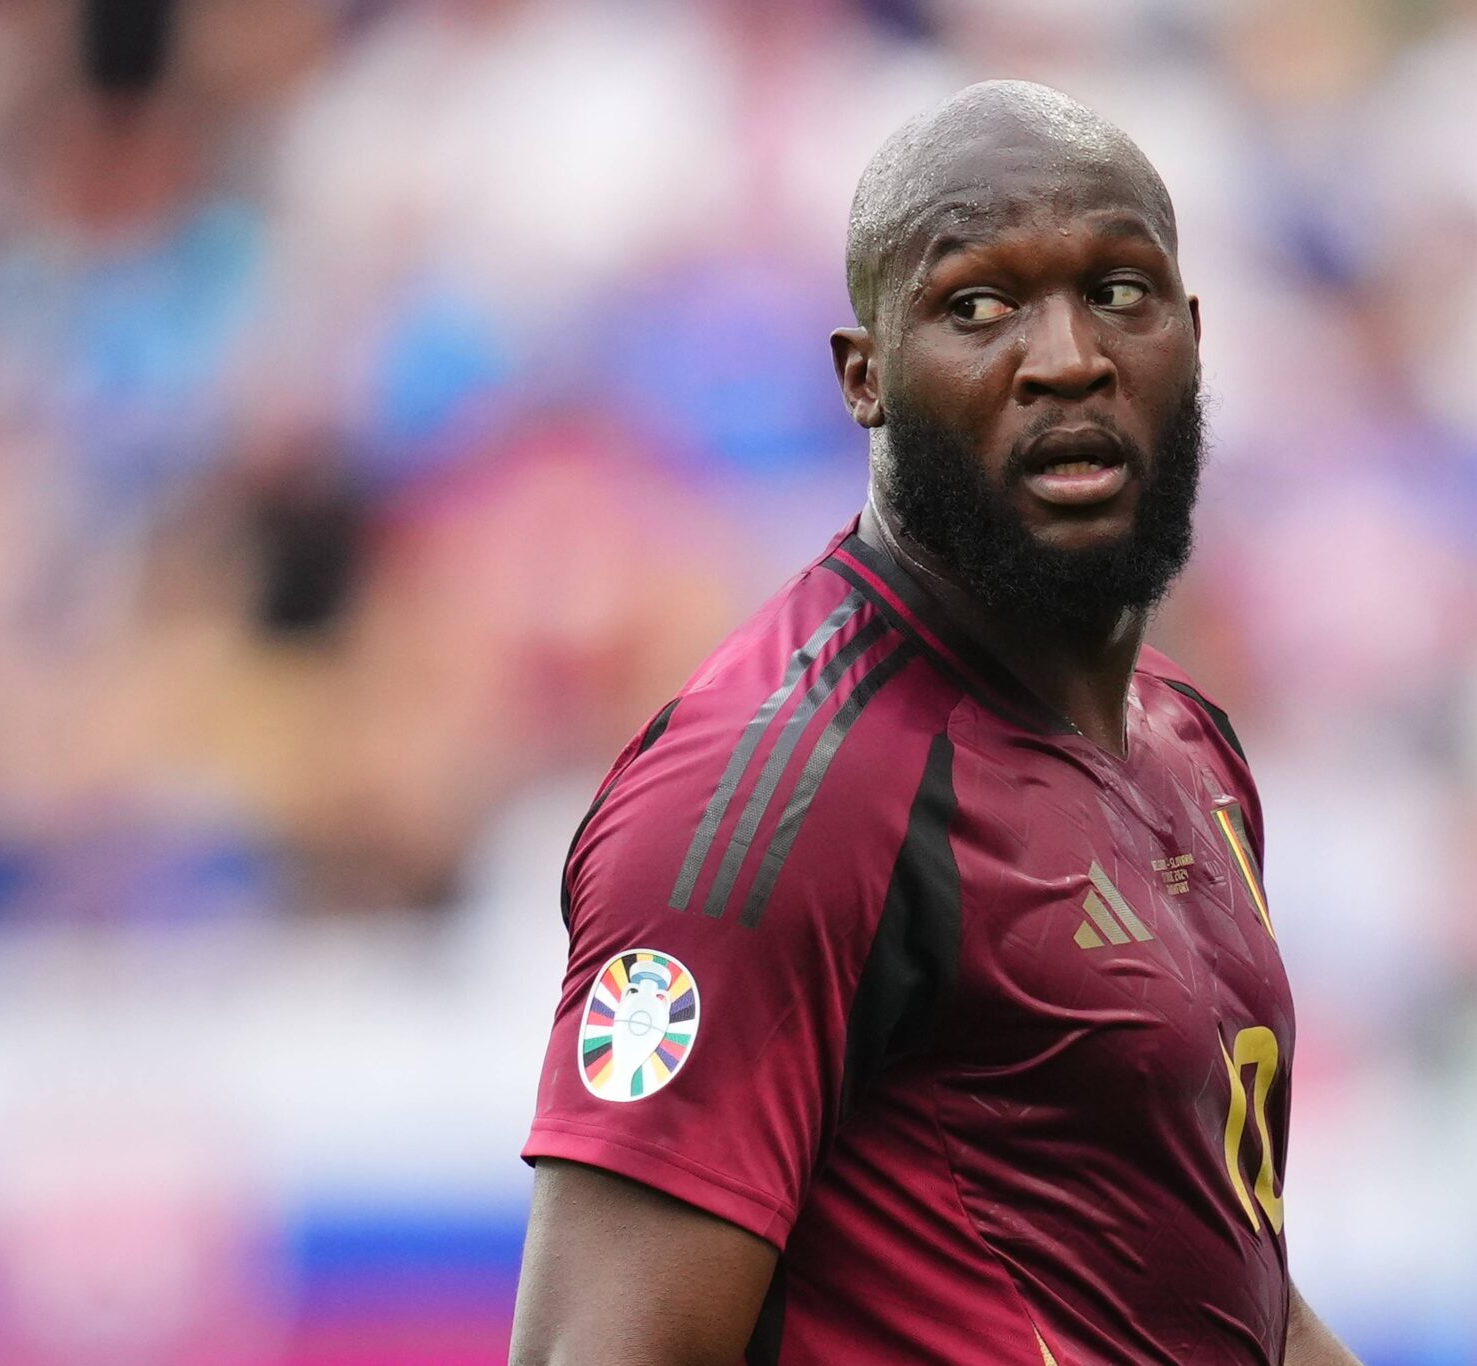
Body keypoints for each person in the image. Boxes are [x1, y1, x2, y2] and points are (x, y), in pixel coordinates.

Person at [508, 80, 1360, 1366]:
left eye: (1118, 292)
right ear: (865, 378)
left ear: (1190, 337)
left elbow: (1212, 1292)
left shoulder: (1186, 742)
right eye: (977, 305)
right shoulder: (780, 794)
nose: (1067, 355)